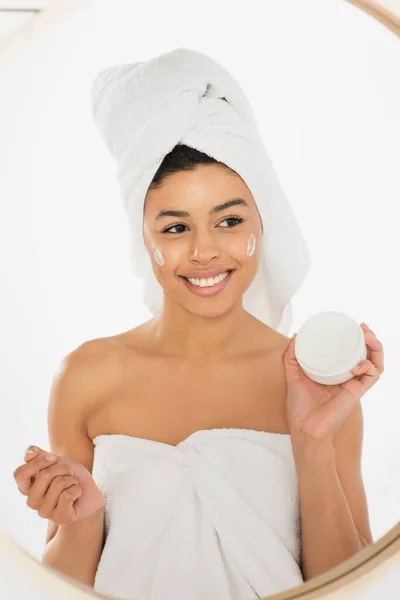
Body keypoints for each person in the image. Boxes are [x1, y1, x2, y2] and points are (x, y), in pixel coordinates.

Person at [13, 48, 314, 600]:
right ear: (142, 237)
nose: (205, 251)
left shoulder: (312, 379)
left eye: (229, 220)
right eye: (175, 228)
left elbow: (354, 580)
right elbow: (66, 585)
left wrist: (314, 437)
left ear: (262, 222)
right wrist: (80, 518)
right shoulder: (87, 374)